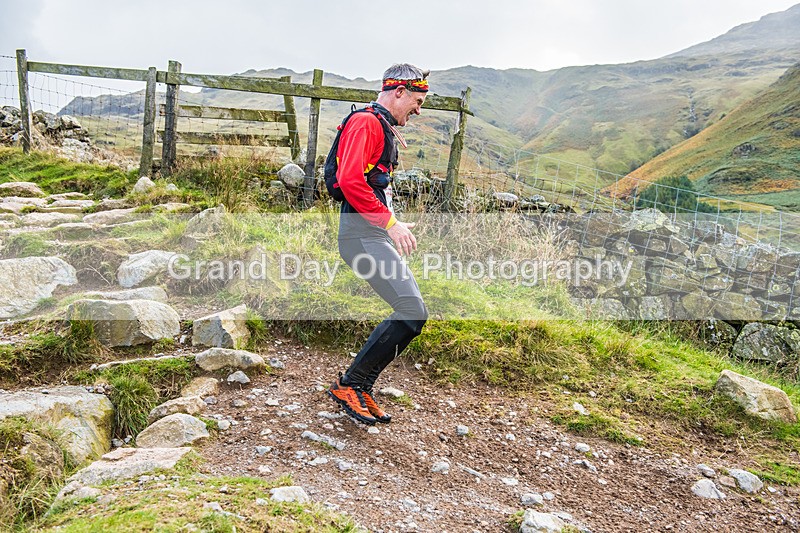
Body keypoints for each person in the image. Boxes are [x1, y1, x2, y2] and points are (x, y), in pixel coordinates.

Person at [327, 64, 430, 425]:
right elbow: (350, 181)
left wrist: (391, 222)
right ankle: (352, 384)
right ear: (399, 92)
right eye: (417, 101)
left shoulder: (378, 125)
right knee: (412, 310)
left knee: (412, 313)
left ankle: (358, 385)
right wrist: (390, 223)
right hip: (360, 236)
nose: (418, 110)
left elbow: (371, 185)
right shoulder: (367, 123)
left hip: (370, 235)